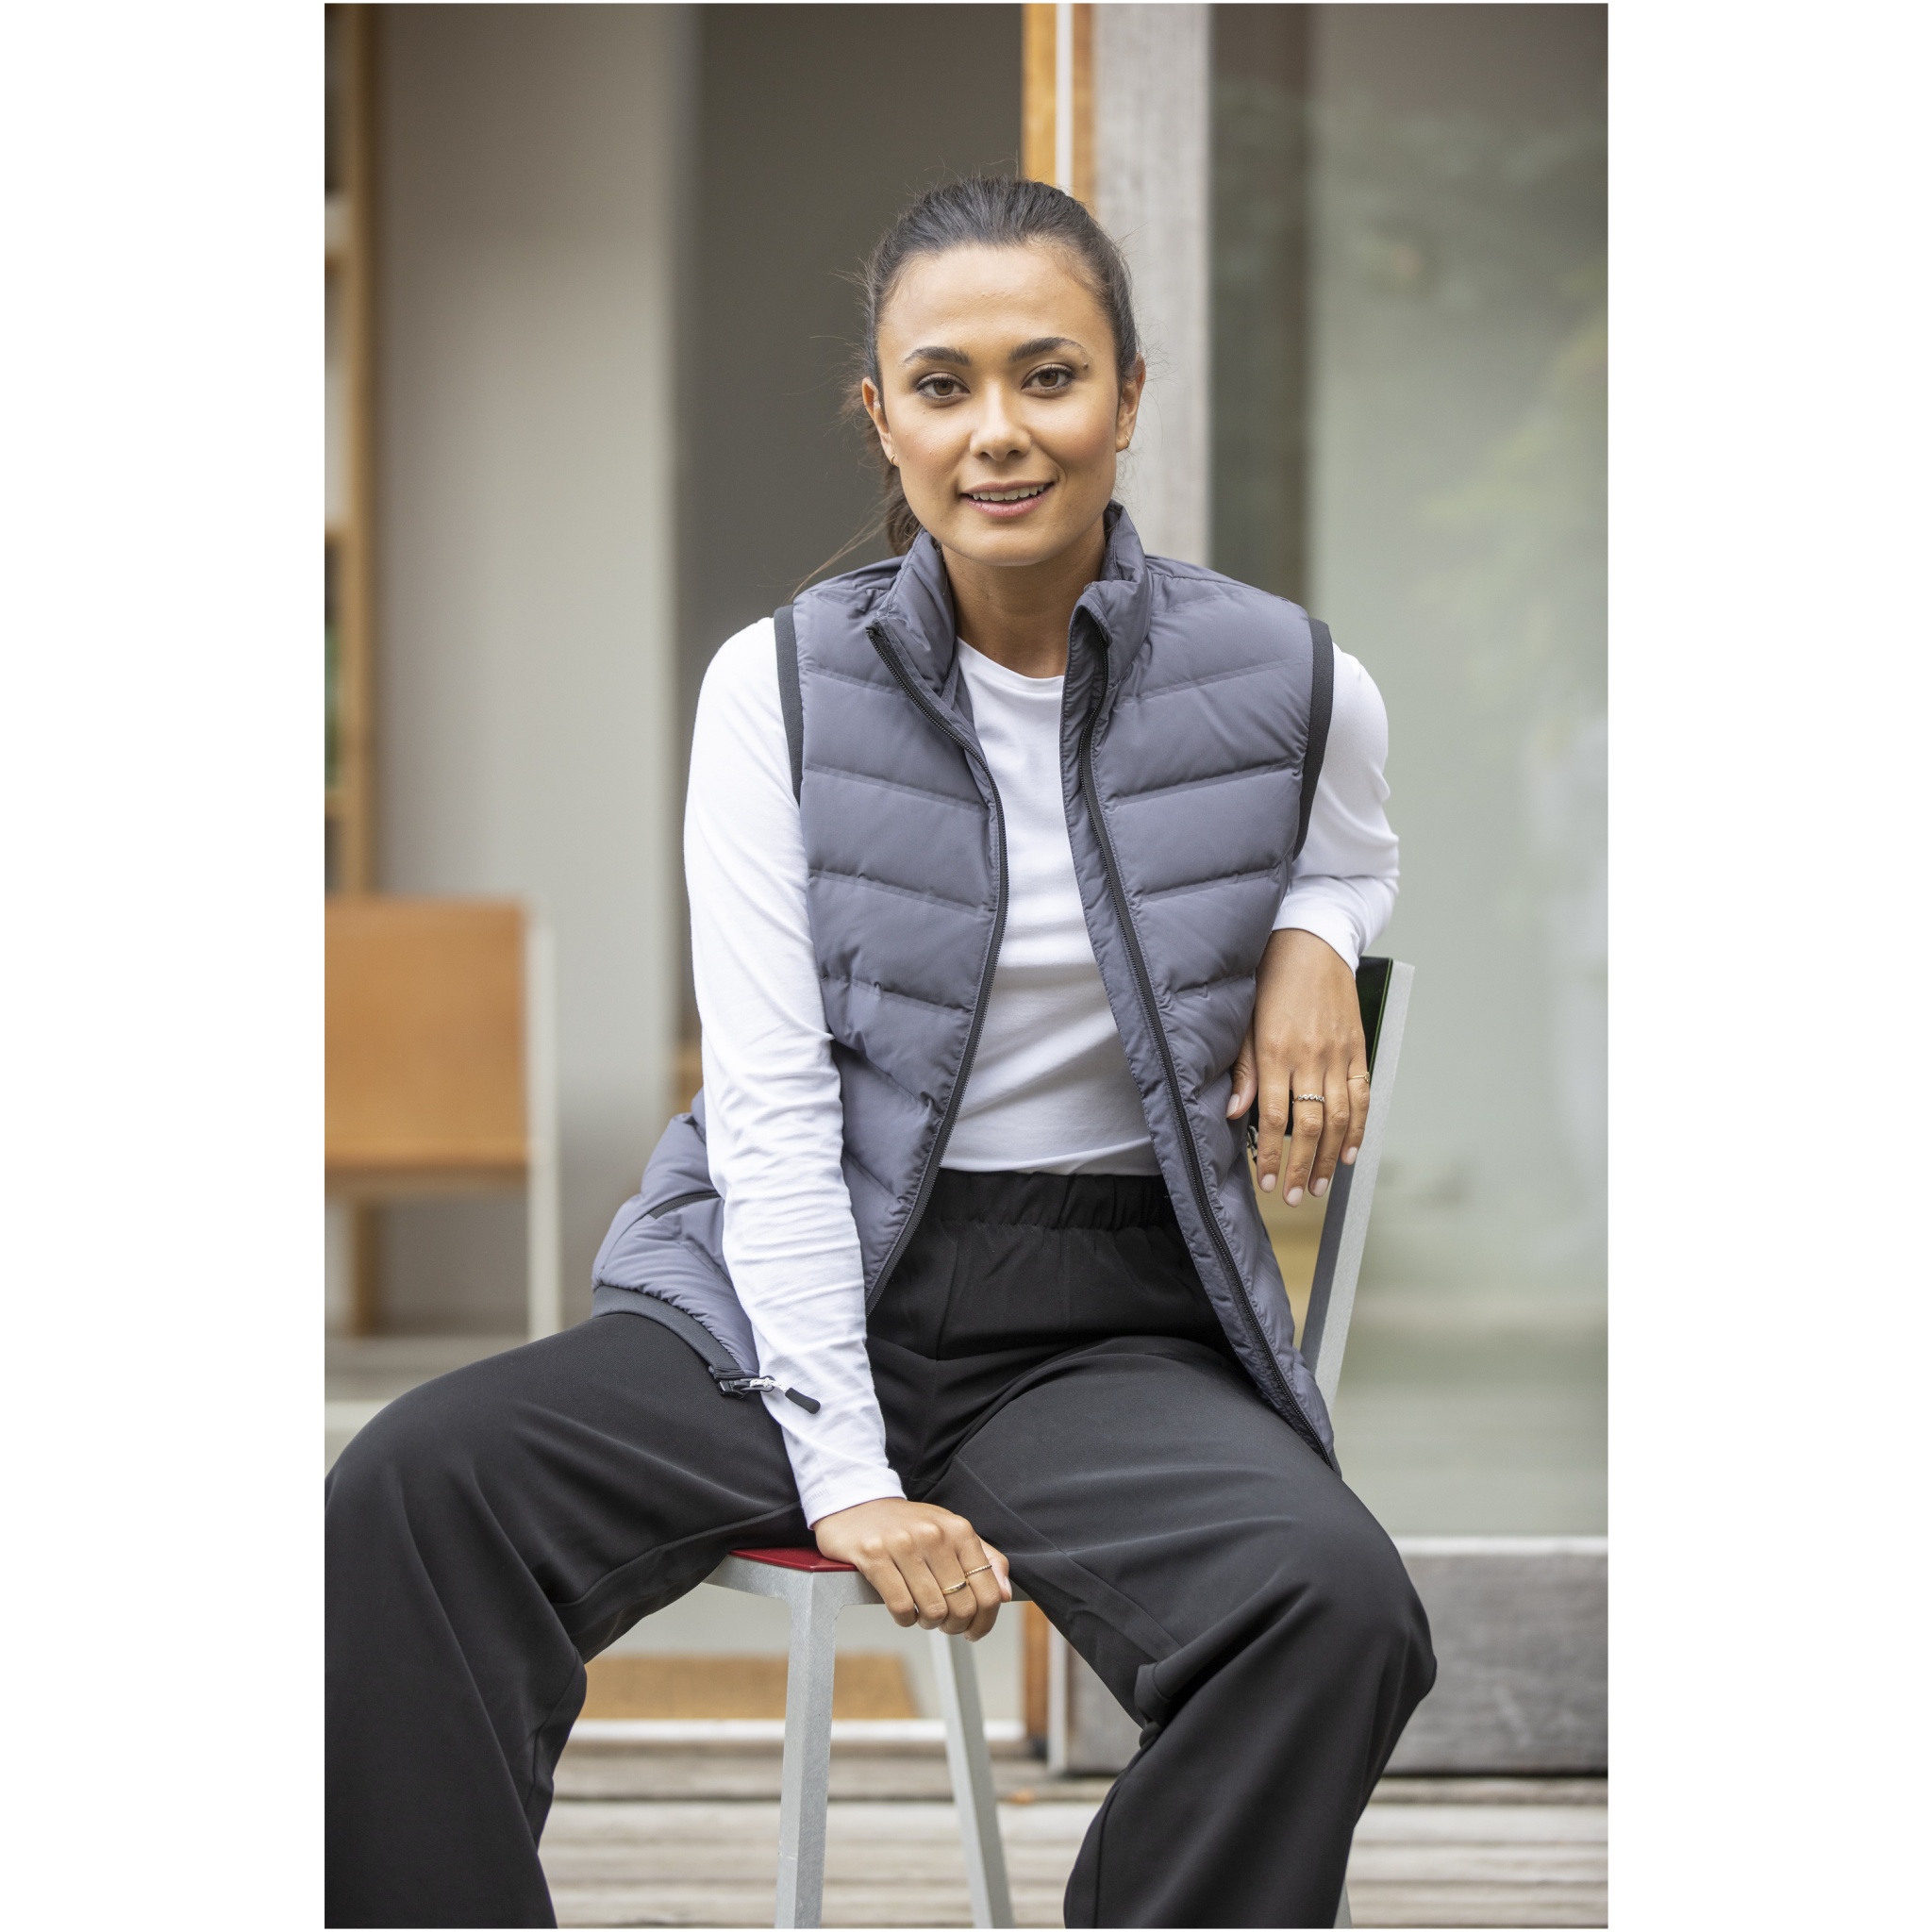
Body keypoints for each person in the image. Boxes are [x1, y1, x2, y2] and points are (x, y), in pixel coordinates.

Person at [326, 176, 1434, 1929]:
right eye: (942, 385)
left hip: (1095, 1321)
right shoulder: (774, 689)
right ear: (883, 419)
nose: (999, 431)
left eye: (1049, 376)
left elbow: (1353, 847)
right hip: (775, 1293)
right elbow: (767, 1105)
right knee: (411, 1494)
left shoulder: (1296, 678)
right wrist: (847, 1476)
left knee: (1339, 1608)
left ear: (1129, 397)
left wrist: (1314, 935)